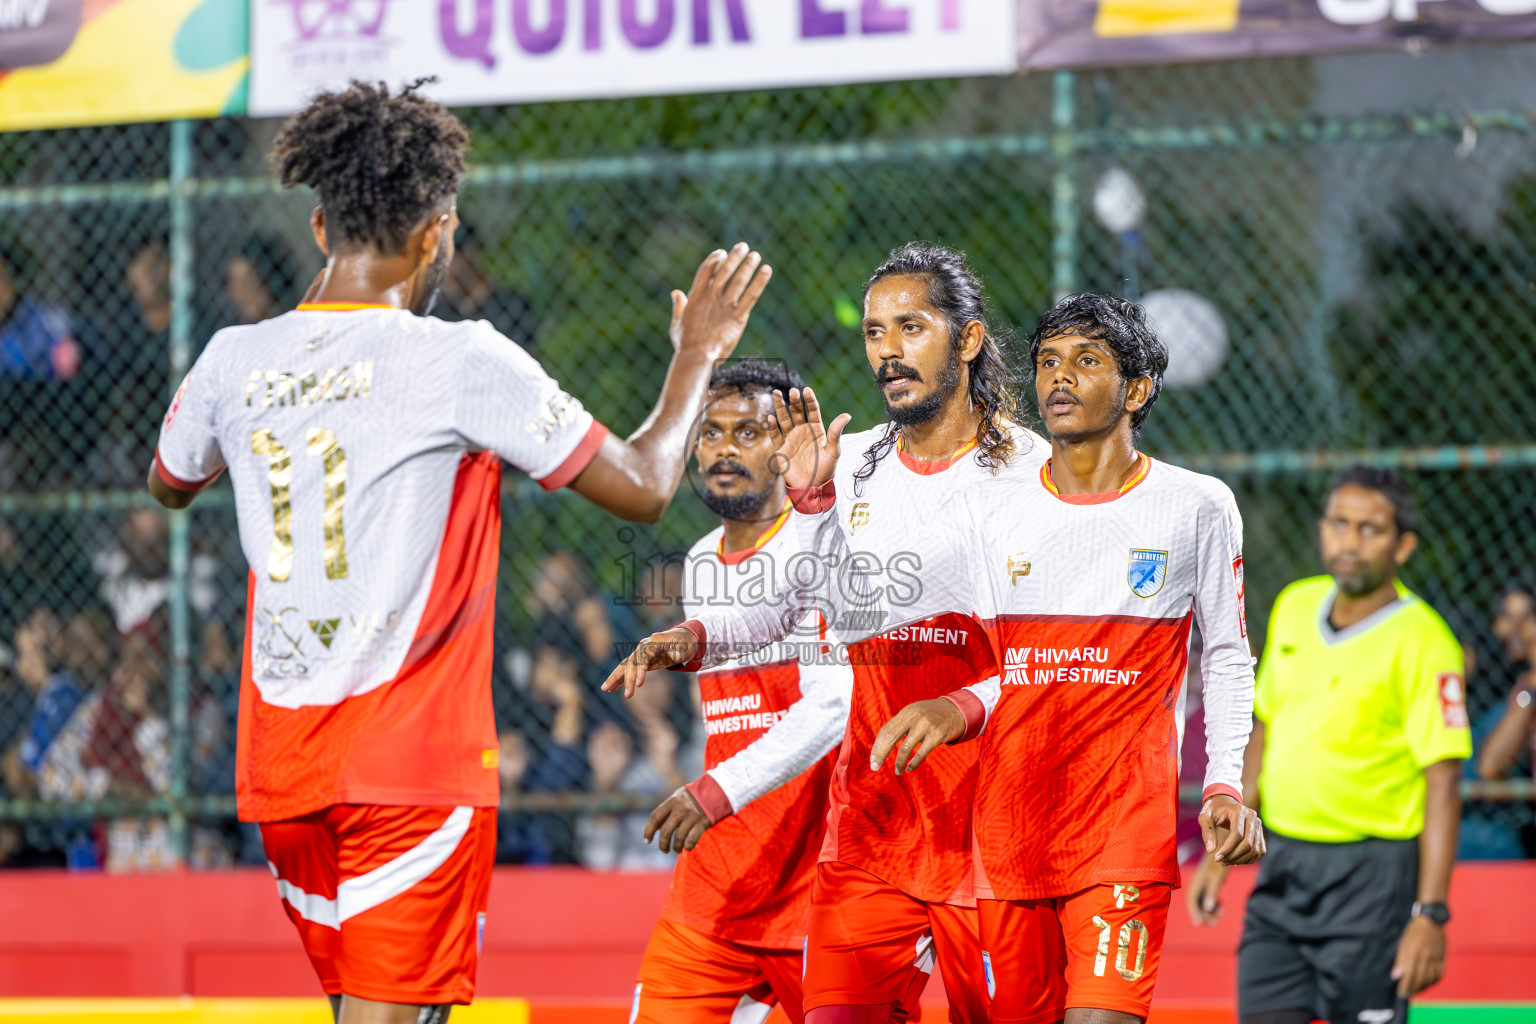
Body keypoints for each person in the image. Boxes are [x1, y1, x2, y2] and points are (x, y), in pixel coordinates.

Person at [147, 79, 771, 1024]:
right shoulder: (458, 359)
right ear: (438, 229)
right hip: (406, 768)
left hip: (280, 776)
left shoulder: (232, 358)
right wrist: (697, 356)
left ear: (320, 227)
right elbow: (644, 483)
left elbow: (168, 480)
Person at [608, 243, 1049, 1024]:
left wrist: (961, 707)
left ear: (970, 340)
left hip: (985, 829)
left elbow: (1050, 660)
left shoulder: (1031, 476)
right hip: (868, 834)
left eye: (910, 327)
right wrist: (701, 635)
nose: (887, 351)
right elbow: (811, 596)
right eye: (875, 332)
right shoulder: (855, 469)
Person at [858, 293, 1263, 1024]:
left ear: (1136, 390)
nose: (1059, 378)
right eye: (1047, 361)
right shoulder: (993, 511)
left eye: (1086, 361)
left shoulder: (1196, 505)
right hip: (1010, 832)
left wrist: (1224, 787)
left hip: (1123, 833)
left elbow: (1230, 656)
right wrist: (959, 705)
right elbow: (997, 665)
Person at [1185, 465, 1470, 1024]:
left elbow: (1444, 787)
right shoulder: (1295, 605)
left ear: (1403, 545)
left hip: (1375, 879)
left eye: (1371, 528)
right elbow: (1263, 730)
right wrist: (1224, 854)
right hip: (1284, 867)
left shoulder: (1426, 641)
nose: (1350, 540)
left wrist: (1430, 914)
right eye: (1339, 523)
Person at [626, 357, 851, 1024]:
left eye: (748, 433)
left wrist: (715, 791)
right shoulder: (700, 559)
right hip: (717, 881)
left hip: (818, 890)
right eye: (711, 432)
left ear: (787, 442)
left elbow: (833, 706)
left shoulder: (831, 549)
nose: (724, 450)